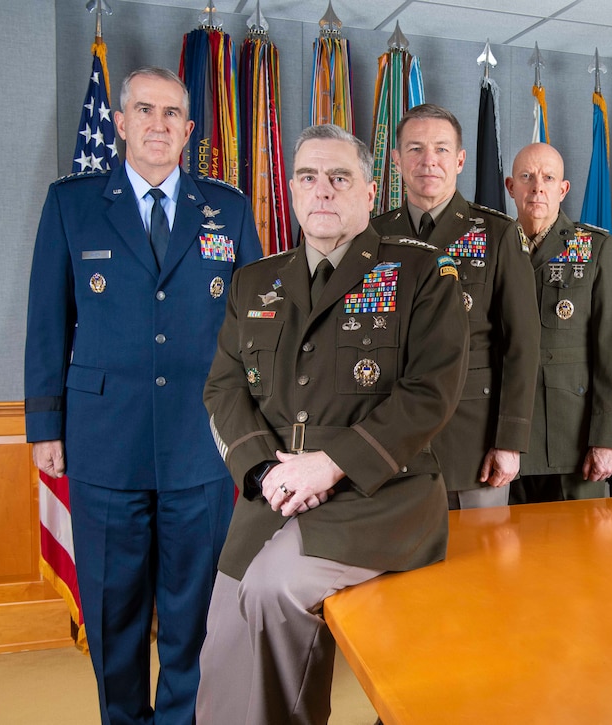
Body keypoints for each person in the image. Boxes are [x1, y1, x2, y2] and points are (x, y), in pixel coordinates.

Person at [195, 124, 469, 724]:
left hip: (379, 495)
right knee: (222, 623)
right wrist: (263, 470)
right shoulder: (255, 281)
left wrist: (331, 463)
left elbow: (432, 393)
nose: (322, 190)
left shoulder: (422, 274)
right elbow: (223, 387)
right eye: (307, 177)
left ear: (370, 192)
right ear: (291, 190)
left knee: (271, 590)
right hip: (279, 493)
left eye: (339, 177)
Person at [23, 66, 261, 723]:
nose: (158, 124)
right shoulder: (72, 204)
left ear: (187, 130)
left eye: (171, 114)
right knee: (113, 608)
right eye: (144, 110)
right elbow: (49, 319)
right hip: (105, 440)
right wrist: (46, 424)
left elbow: (256, 328)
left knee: (194, 615)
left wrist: (256, 429)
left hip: (201, 444)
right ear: (121, 122)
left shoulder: (229, 208)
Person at [372, 103, 539, 509]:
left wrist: (510, 441)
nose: (429, 161)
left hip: (474, 441)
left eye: (442, 149)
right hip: (388, 434)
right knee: (399, 566)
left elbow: (522, 345)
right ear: (396, 160)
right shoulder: (373, 236)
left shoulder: (498, 234)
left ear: (461, 159)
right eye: (415, 149)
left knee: (481, 566)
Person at [503, 142, 612, 502]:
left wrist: (607, 439)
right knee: (502, 554)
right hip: (500, 442)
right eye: (527, 177)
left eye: (548, 178)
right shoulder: (491, 248)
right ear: (511, 187)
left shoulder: (594, 249)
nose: (537, 187)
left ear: (563, 189)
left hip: (572, 442)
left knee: (582, 554)